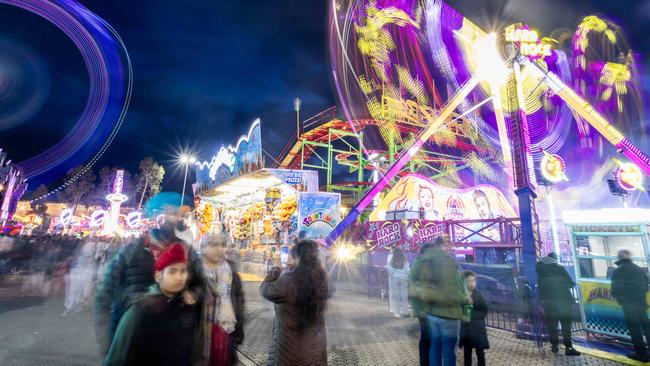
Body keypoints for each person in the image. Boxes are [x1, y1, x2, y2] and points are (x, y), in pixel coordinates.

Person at [94, 211, 204, 356]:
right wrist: (106, 340)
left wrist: (193, 294)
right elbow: (105, 290)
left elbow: (201, 283)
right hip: (130, 325)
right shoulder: (130, 251)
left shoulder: (186, 251)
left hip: (171, 329)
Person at [103, 243, 198, 366]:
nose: (179, 277)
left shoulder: (188, 309)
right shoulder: (140, 311)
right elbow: (116, 358)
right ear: (158, 276)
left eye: (183, 271)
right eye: (172, 272)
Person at [261, 240, 328, 366]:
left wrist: (271, 276)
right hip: (315, 345)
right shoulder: (321, 277)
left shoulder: (289, 279)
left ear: (298, 257)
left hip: (290, 347)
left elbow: (267, 291)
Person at [410, 236, 471, 366]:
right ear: (441, 245)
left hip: (430, 310)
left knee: (433, 346)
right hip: (447, 312)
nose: (450, 246)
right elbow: (451, 291)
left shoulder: (422, 260)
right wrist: (465, 300)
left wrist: (418, 308)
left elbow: (413, 282)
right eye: (448, 243)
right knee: (448, 349)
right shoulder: (444, 261)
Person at [195, 233, 245, 366]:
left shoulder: (231, 273)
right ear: (203, 248)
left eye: (222, 245)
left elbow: (239, 304)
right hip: (201, 332)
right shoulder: (195, 271)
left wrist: (239, 329)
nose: (220, 249)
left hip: (225, 331)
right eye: (214, 245)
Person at [536, 252, 580, 356]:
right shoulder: (560, 268)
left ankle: (554, 345)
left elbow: (540, 286)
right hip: (563, 300)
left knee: (552, 323)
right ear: (555, 259)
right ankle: (568, 347)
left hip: (549, 301)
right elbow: (570, 283)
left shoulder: (539, 269)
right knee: (565, 324)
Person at [611, 249, 650, 362]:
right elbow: (646, 287)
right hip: (641, 304)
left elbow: (616, 290)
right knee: (647, 329)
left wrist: (621, 299)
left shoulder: (618, 271)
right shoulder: (639, 269)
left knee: (635, 330)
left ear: (619, 258)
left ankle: (641, 354)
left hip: (629, 306)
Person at [459, 271, 489, 366]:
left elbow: (484, 310)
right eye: (469, 281)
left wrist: (473, 316)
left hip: (477, 329)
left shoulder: (478, 295)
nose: (472, 283)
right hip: (466, 330)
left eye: (473, 281)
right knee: (467, 353)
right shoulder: (461, 295)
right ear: (463, 282)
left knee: (480, 352)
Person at [388, 247, 410, 317]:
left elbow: (390, 270)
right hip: (404, 279)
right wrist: (407, 277)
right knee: (404, 296)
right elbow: (407, 271)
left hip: (395, 279)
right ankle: (405, 313)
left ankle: (397, 313)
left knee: (396, 296)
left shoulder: (392, 260)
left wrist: (393, 275)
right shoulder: (405, 261)